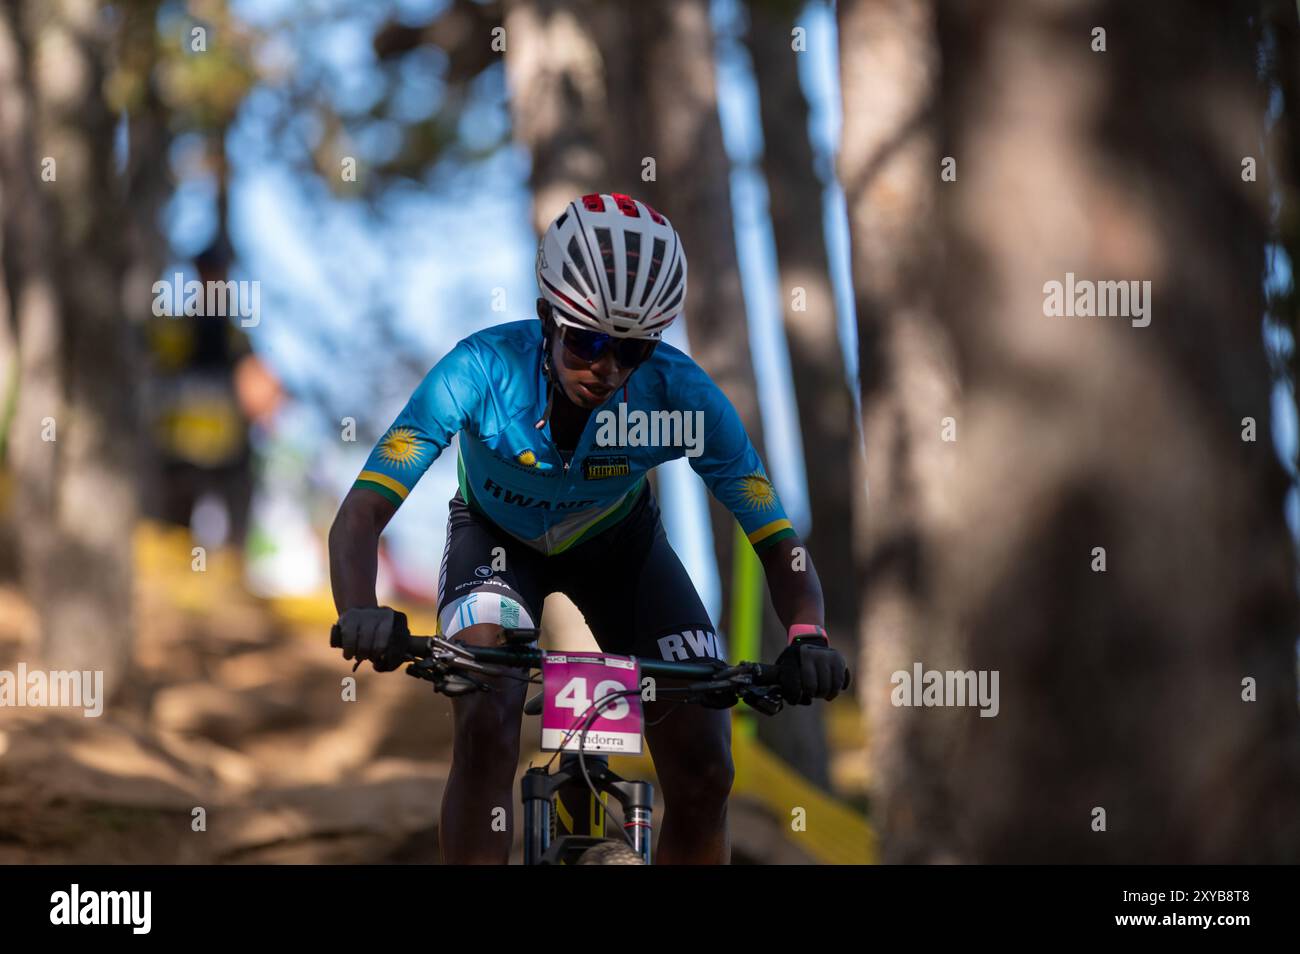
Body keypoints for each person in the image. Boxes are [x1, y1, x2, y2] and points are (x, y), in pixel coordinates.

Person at [329, 193, 847, 864]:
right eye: (589, 341)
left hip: (620, 549)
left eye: (632, 350)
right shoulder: (480, 370)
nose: (606, 366)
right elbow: (362, 510)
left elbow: (778, 542)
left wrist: (807, 635)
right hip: (497, 542)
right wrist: (362, 611)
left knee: (707, 769)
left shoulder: (681, 395)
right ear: (548, 317)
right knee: (487, 719)